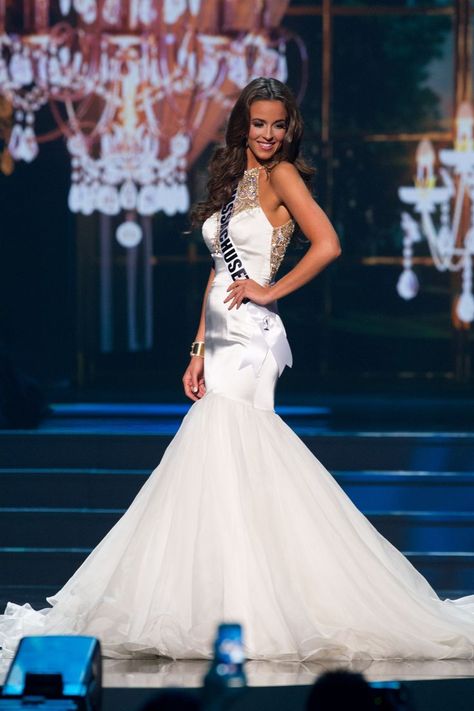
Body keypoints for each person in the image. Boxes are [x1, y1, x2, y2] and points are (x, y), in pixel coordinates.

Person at [1, 77, 473, 662]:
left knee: (232, 444)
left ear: (288, 127)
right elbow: (217, 273)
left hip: (252, 336)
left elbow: (327, 244)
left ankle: (257, 607)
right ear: (243, 126)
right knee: (222, 459)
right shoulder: (235, 178)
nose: (269, 134)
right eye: (259, 124)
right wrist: (197, 346)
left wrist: (270, 289)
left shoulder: (282, 176)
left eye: (278, 124)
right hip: (222, 335)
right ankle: (226, 604)